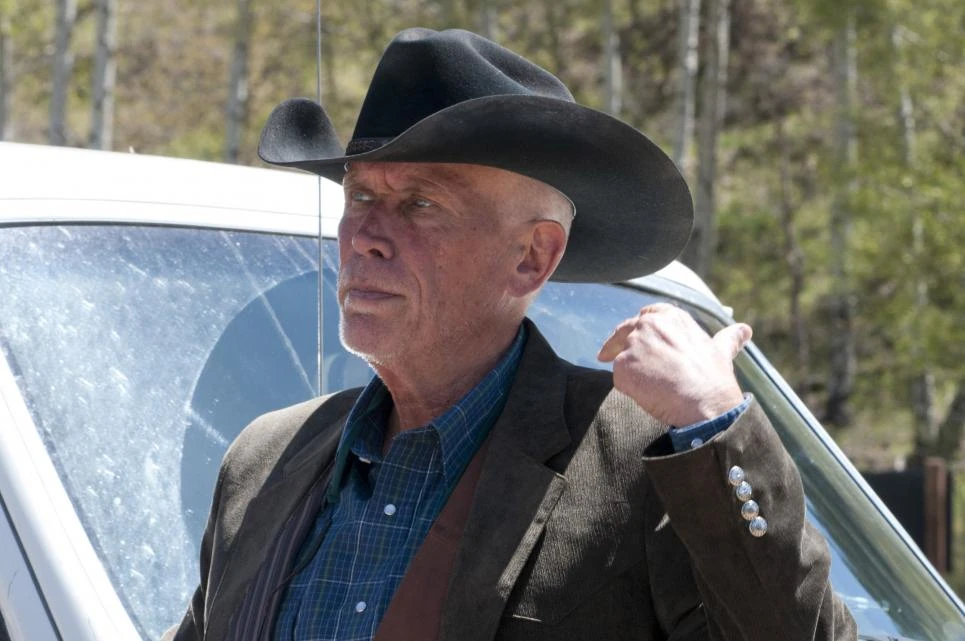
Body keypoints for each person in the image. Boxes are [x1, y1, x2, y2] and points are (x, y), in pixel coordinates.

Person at [164, 28, 856, 641]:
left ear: (532, 256)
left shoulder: (653, 459)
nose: (365, 236)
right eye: (360, 196)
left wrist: (713, 420)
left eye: (420, 203)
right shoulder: (265, 459)